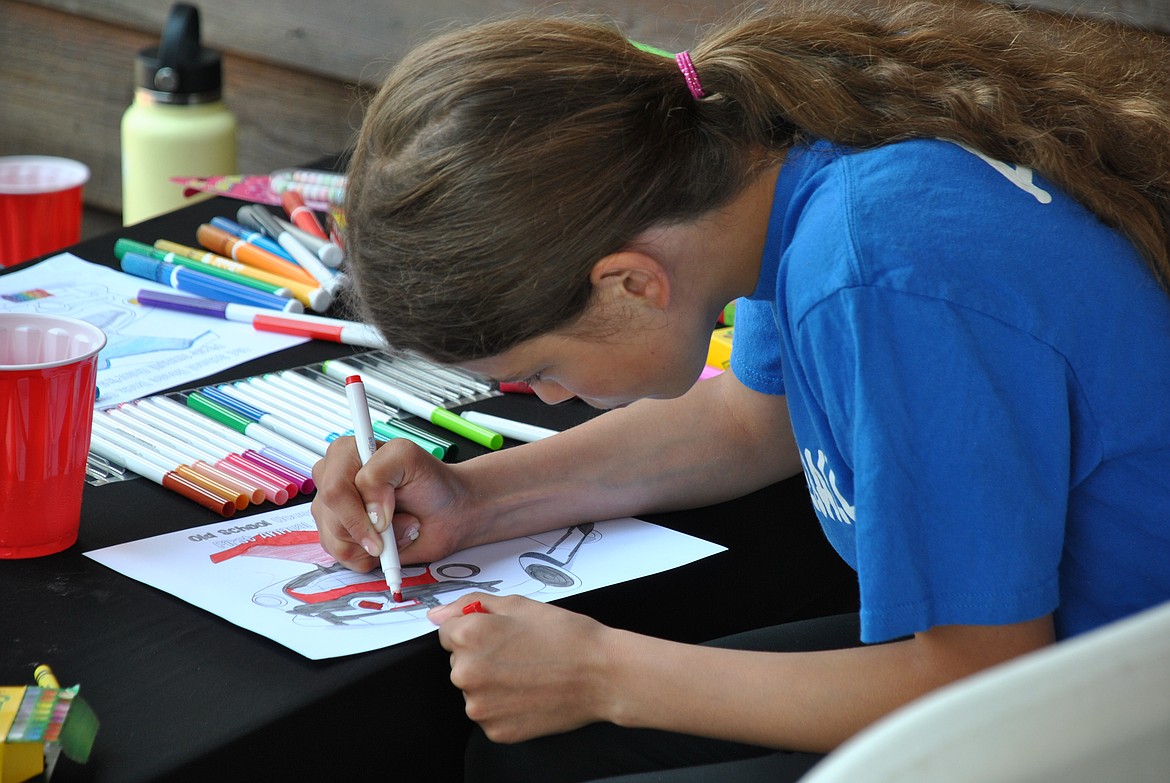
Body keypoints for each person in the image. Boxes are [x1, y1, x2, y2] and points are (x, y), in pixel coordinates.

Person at [310, 0, 1170, 780]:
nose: (539, 399)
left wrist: (604, 674)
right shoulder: (785, 165)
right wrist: (473, 499)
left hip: (1106, 699)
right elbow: (751, 416)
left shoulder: (876, 275)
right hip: (1057, 650)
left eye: (536, 371)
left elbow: (983, 682)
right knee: (529, 756)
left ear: (630, 285)